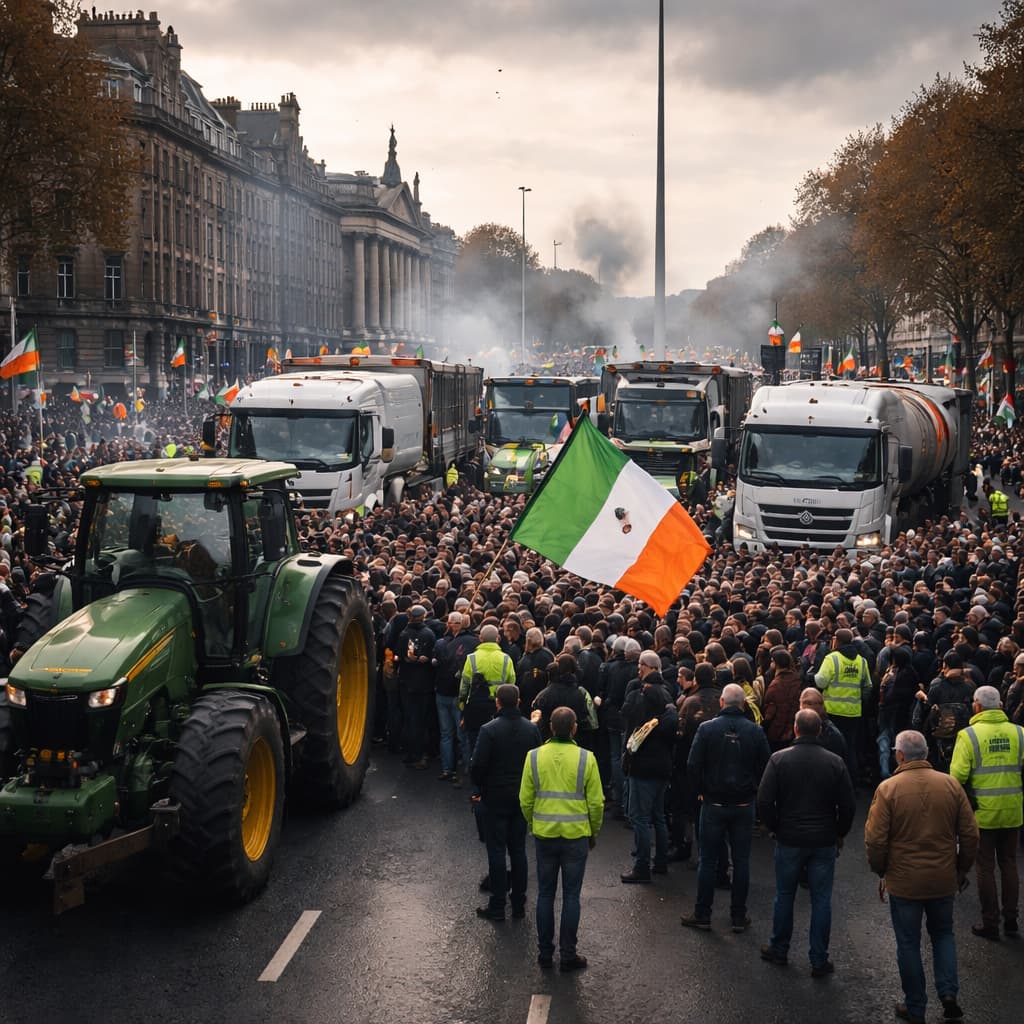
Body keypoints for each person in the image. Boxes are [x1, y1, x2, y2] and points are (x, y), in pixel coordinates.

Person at [864, 730, 978, 1024]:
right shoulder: (951, 785)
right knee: (943, 934)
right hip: (942, 877)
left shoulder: (888, 789)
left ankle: (915, 1006)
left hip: (904, 881)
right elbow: (969, 834)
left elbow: (875, 840)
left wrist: (881, 871)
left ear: (900, 755)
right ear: (925, 753)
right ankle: (949, 993)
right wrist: (961, 869)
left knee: (908, 943)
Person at [757, 708, 856, 976]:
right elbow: (848, 806)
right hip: (824, 838)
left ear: (796, 729)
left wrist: (777, 827)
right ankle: (819, 959)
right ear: (820, 730)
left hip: (790, 837)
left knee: (785, 894)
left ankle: (779, 948)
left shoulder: (779, 760)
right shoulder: (835, 762)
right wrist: (839, 833)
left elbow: (764, 801)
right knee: (821, 899)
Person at [681, 682, 771, 932]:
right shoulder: (755, 731)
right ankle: (738, 917)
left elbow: (693, 764)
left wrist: (699, 790)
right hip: (743, 803)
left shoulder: (707, 729)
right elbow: (765, 766)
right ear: (742, 705)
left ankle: (703, 913)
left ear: (722, 702)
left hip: (713, 802)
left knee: (707, 860)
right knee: (741, 862)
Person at [519, 706, 604, 971]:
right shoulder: (586, 758)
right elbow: (597, 803)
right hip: (576, 836)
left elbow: (525, 799)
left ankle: (545, 953)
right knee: (571, 896)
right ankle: (568, 954)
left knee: (545, 894)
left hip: (545, 834)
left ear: (551, 728)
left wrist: (534, 823)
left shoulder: (533, 757)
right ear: (575, 728)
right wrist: (593, 831)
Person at [949, 684, 1024, 939]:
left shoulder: (968, 736)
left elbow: (956, 777)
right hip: (1013, 808)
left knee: (985, 867)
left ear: (977, 706)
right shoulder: (1020, 733)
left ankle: (990, 922)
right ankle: (1012, 918)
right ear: (1000, 706)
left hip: (982, 812)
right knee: (1009, 863)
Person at [471, 683, 542, 922]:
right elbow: (537, 762)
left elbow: (478, 765)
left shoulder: (489, 730)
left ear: (497, 703)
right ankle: (519, 904)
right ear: (519, 701)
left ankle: (498, 904)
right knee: (519, 850)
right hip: (521, 796)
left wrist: (479, 789)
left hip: (495, 796)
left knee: (497, 851)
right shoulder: (531, 730)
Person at [619, 651, 677, 883]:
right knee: (658, 815)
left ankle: (641, 867)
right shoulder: (667, 694)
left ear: (649, 667)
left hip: (643, 764)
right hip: (662, 763)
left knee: (639, 817)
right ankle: (660, 861)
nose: (638, 669)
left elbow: (632, 722)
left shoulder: (643, 696)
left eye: (641, 665)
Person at [814, 627, 872, 784]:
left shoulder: (831, 658)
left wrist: (813, 674)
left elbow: (821, 681)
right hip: (853, 712)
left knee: (830, 748)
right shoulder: (861, 661)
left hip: (832, 711)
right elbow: (867, 685)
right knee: (850, 748)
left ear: (836, 641)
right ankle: (850, 781)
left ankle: (831, 781)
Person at [432, 611, 478, 784]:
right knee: (462, 735)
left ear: (450, 624)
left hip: (443, 692)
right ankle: (466, 771)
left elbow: (435, 663)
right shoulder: (474, 642)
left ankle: (447, 769)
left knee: (446, 734)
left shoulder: (441, 644)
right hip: (461, 695)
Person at [396, 604, 437, 769]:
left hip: (407, 682)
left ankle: (411, 753)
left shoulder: (405, 633)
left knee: (410, 718)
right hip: (423, 684)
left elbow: (402, 655)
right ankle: (419, 755)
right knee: (420, 720)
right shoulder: (428, 634)